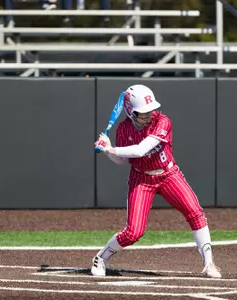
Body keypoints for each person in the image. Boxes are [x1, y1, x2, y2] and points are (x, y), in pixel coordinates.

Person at [92, 84, 221, 279]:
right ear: (130, 112)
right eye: (143, 113)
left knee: (195, 212)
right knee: (133, 232)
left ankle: (209, 263)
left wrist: (110, 149)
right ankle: (101, 257)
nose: (149, 115)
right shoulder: (123, 129)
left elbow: (141, 149)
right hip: (141, 179)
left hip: (168, 175)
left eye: (150, 110)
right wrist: (107, 150)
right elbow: (121, 160)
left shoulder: (163, 122)